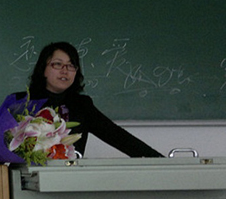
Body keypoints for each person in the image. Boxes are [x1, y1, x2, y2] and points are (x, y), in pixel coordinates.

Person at [11, 41, 163, 158]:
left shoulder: (81, 105)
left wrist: (159, 160)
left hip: (68, 179)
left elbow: (118, 137)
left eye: (71, 66)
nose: (65, 70)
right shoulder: (20, 102)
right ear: (43, 69)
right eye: (57, 64)